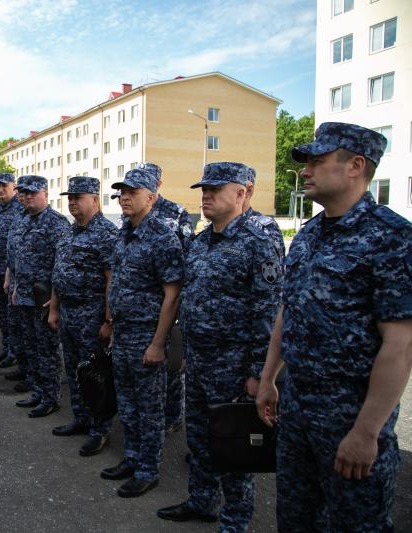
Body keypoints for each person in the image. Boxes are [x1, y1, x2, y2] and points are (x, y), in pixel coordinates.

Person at [256, 123, 412, 532]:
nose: (305, 171)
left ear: (355, 166)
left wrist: (367, 432)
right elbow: (287, 312)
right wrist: (270, 378)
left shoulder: (391, 237)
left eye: (316, 161)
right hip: (296, 408)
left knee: (355, 523)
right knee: (294, 518)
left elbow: (400, 345)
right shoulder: (308, 235)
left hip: (350, 415)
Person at [157, 162, 283, 531]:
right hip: (199, 359)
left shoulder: (260, 237)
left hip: (233, 364)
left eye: (215, 189)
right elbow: (192, 296)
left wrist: (258, 373)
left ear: (243, 193)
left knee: (233, 443)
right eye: (203, 189)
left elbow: (267, 308)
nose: (205, 195)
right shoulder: (202, 238)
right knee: (198, 437)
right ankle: (201, 501)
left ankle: (235, 519)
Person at [102, 164, 184, 498]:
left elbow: (173, 293)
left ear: (151, 197)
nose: (124, 197)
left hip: (146, 336)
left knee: (150, 410)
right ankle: (132, 459)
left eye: (132, 192)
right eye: (122, 192)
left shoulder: (162, 235)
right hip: (123, 333)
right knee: (128, 404)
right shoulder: (125, 232)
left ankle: (148, 470)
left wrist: (158, 342)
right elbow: (117, 279)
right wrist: (110, 317)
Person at [48, 176, 117, 456]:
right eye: (70, 198)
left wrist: (109, 321)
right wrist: (53, 308)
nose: (73, 202)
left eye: (78, 197)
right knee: (74, 368)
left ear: (95, 199)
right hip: (67, 311)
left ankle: (99, 429)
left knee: (95, 374)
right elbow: (58, 272)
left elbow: (112, 280)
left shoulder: (107, 234)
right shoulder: (68, 231)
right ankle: (80, 418)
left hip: (92, 313)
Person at [11, 175, 71, 417]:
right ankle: (38, 391)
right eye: (23, 193)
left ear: (46, 194)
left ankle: (50, 396)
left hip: (45, 299)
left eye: (32, 193)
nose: (27, 197)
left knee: (47, 350)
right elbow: (18, 258)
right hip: (24, 295)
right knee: (31, 346)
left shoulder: (57, 224)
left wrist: (55, 301)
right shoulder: (23, 220)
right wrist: (15, 286)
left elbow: (62, 265)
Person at [148, 167, 195, 435]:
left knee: (172, 359)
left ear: (159, 184)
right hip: (145, 297)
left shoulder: (175, 212)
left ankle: (172, 414)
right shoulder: (133, 210)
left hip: (170, 293)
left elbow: (186, 249)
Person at [0, 173, 25, 365]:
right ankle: (6, 348)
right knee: (2, 315)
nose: (0, 189)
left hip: (13, 272)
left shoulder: (20, 209)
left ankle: (15, 354)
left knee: (14, 318)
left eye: (4, 186)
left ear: (13, 186)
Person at [4, 178, 33, 389]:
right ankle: (25, 370)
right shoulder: (21, 218)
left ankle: (37, 382)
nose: (23, 195)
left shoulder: (52, 221)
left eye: (27, 192)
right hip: (17, 283)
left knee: (36, 340)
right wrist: (9, 278)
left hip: (37, 293)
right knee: (20, 331)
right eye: (21, 192)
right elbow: (14, 254)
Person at [242, 171, 285, 259]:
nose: (207, 195)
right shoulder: (212, 227)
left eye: (217, 190)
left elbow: (275, 268)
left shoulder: (264, 227)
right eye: (205, 190)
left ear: (248, 191)